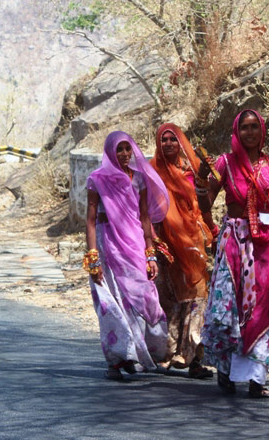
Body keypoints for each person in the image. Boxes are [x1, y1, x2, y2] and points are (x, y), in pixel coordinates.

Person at [198, 109, 269, 398]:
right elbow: (206, 204)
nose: (250, 132)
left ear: (262, 131)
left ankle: (257, 378)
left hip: (267, 244)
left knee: (264, 307)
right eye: (244, 127)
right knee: (231, 307)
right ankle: (225, 370)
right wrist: (201, 187)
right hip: (235, 240)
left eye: (254, 127)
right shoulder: (224, 163)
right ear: (237, 131)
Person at [84, 131, 170, 380]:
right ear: (110, 151)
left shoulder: (139, 179)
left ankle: (134, 354)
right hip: (106, 245)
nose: (123, 154)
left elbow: (144, 218)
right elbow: (90, 221)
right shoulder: (97, 179)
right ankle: (117, 359)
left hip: (133, 244)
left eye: (127, 149)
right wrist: (93, 257)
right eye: (118, 149)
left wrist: (150, 253)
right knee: (112, 302)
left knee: (139, 298)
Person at [149, 123, 214, 379]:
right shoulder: (152, 172)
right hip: (164, 242)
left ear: (180, 143)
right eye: (163, 140)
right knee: (170, 298)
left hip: (192, 241)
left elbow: (204, 202)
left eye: (172, 140)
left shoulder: (193, 171)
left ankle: (194, 358)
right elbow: (144, 209)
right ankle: (168, 354)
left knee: (197, 296)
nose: (167, 144)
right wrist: (151, 241)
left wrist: (210, 229)